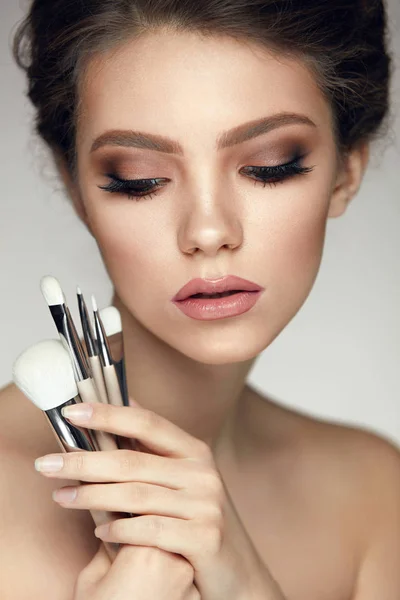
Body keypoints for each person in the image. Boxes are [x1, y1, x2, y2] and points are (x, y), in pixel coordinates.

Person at [1, 0, 399, 598]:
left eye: (269, 167)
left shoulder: (372, 495)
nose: (208, 231)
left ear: (345, 170)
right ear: (76, 187)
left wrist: (246, 586)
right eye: (140, 179)